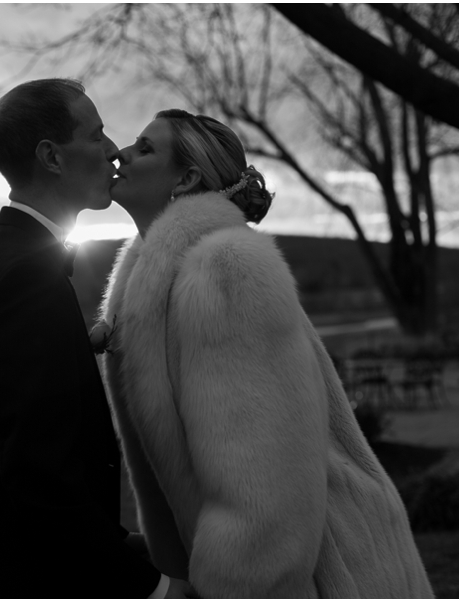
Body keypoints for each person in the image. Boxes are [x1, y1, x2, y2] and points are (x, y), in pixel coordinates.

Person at [98, 109, 434, 598]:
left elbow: (265, 503)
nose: (120, 154)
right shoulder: (154, 278)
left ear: (187, 177)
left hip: (322, 575)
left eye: (145, 148)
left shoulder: (226, 271)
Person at [0, 80, 195, 598]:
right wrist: (156, 591)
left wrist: (116, 540)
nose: (112, 151)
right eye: (96, 134)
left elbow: (31, 453)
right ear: (52, 157)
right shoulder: (22, 280)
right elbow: (39, 481)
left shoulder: (15, 261)